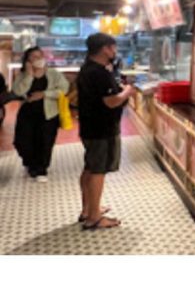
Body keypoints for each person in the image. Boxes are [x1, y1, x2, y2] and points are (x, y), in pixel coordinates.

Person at [77, 33, 135, 230]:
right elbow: (111, 102)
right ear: (105, 49)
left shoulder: (89, 68)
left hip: (90, 126)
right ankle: (94, 217)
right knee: (98, 170)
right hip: (102, 129)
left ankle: (88, 209)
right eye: (113, 47)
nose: (115, 51)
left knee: (90, 167)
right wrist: (127, 91)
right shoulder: (98, 73)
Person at [11, 47, 70, 182]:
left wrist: (44, 94)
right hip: (27, 113)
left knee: (45, 141)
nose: (38, 59)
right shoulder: (23, 75)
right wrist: (29, 75)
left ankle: (41, 169)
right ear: (27, 60)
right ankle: (29, 163)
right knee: (22, 141)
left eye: (40, 56)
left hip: (49, 113)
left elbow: (64, 89)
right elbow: (18, 91)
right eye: (34, 56)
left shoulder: (53, 74)